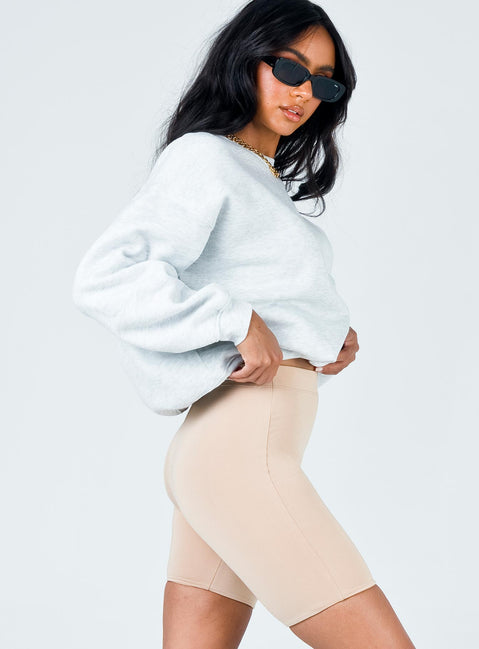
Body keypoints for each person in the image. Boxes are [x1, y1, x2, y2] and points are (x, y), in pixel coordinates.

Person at [72, 1, 417, 647]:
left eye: (323, 83)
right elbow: (105, 276)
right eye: (289, 68)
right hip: (237, 453)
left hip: (230, 451)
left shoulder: (258, 176)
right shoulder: (204, 157)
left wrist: (322, 334)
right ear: (244, 59)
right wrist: (234, 320)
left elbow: (258, 283)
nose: (304, 92)